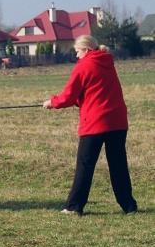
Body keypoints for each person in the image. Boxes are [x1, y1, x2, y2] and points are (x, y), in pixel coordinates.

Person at [43, 35, 138, 216]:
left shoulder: (84, 66)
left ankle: (74, 206)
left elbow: (68, 96)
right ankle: (129, 206)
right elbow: (97, 92)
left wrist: (51, 102)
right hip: (118, 122)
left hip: (95, 123)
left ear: (86, 50)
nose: (77, 56)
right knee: (118, 165)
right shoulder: (108, 63)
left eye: (77, 52)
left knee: (85, 165)